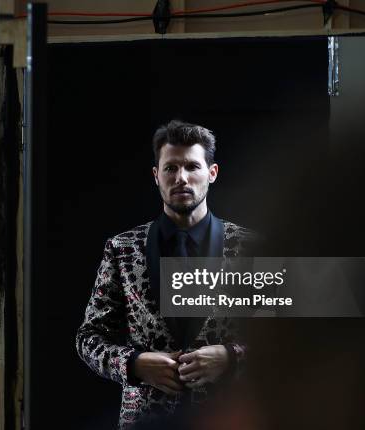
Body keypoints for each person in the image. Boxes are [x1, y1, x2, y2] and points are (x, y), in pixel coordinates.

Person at [76, 120, 256, 429]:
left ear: (212, 174)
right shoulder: (122, 249)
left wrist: (231, 357)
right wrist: (134, 364)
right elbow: (88, 339)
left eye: (192, 167)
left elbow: (288, 337)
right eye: (171, 168)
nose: (181, 178)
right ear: (156, 176)